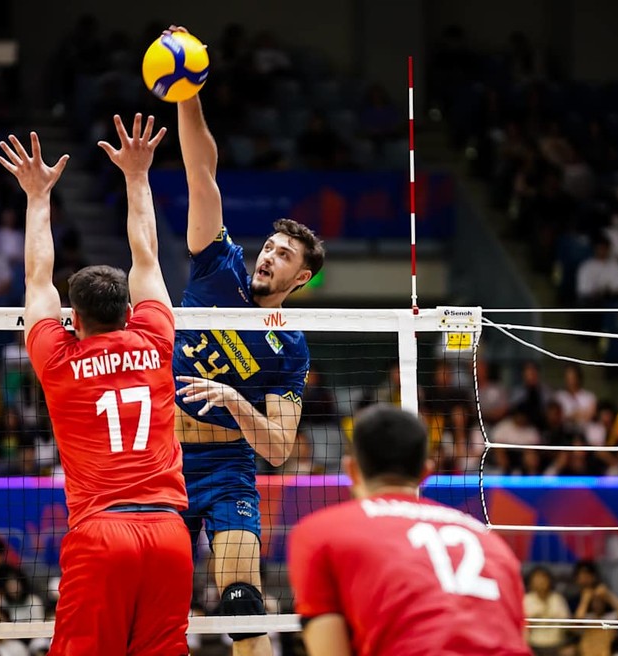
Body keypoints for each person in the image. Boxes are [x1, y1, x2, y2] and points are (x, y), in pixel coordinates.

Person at [0, 115, 191, 655]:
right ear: (130, 311)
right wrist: (137, 175)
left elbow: (38, 277)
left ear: (72, 319)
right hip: (170, 534)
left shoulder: (57, 357)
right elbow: (147, 256)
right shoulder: (154, 339)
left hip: (102, 534)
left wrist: (37, 196)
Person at [167, 24, 327, 656]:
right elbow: (202, 171)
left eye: (283, 255)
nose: (269, 256)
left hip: (228, 468)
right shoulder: (219, 265)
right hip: (165, 463)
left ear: (301, 278)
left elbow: (281, 450)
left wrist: (235, 400)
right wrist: (187, 91)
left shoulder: (291, 347)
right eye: (269, 245)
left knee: (244, 608)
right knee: (154, 605)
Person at [288, 404, 530, 656]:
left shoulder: (321, 532)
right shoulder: (490, 542)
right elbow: (518, 637)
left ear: (351, 469)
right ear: (426, 472)